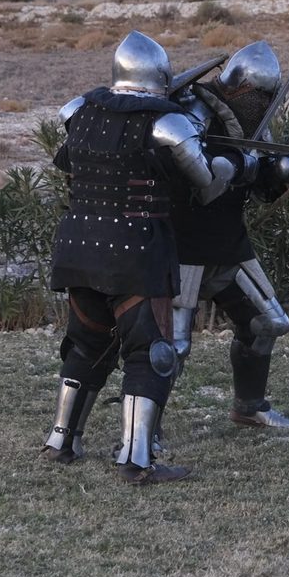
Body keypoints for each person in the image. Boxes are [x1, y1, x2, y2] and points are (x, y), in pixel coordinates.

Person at [40, 30, 243, 484]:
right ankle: (136, 460)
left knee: (88, 344)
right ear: (162, 78)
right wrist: (234, 164)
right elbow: (208, 187)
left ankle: (62, 440)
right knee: (151, 353)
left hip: (77, 248)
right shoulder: (167, 123)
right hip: (134, 254)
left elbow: (68, 163)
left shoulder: (78, 112)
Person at [168, 40, 289, 430]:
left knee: (268, 323)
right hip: (184, 244)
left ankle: (250, 407)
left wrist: (283, 173)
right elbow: (185, 177)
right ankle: (145, 431)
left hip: (228, 243)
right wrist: (235, 165)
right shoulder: (193, 113)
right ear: (240, 90)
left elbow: (260, 187)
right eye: (261, 96)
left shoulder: (248, 124)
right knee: (173, 347)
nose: (265, 105)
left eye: (270, 98)